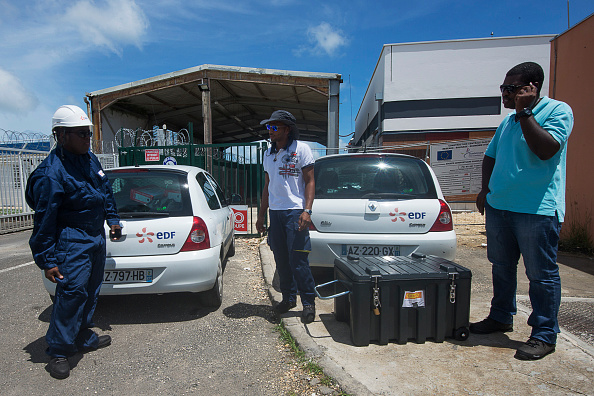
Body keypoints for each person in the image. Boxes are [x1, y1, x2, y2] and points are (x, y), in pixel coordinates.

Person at [471, 62, 574, 360]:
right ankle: (501, 316)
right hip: (500, 207)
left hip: (536, 209)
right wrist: (485, 190)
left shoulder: (557, 111)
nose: (504, 94)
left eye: (510, 89)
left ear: (531, 89)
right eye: (503, 88)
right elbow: (490, 157)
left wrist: (525, 112)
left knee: (541, 275)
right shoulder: (506, 122)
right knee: (501, 267)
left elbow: (546, 149)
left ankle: (544, 334)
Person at [26, 105, 122, 379]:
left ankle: (81, 336)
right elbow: (44, 221)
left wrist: (112, 220)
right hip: (72, 238)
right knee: (71, 293)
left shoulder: (89, 160)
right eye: (81, 134)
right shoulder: (51, 174)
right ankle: (58, 350)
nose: (87, 139)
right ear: (61, 135)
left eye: (88, 134)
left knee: (90, 290)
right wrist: (47, 259)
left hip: (94, 236)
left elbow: (104, 190)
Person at [255, 110, 317, 324]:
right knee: (281, 259)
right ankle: (289, 299)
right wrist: (261, 216)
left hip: (295, 213)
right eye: (268, 128)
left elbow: (310, 181)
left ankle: (308, 302)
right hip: (276, 213)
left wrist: (307, 210)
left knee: (298, 259)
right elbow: (267, 186)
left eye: (274, 127)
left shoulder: (302, 150)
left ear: (287, 129)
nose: (270, 131)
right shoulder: (268, 153)